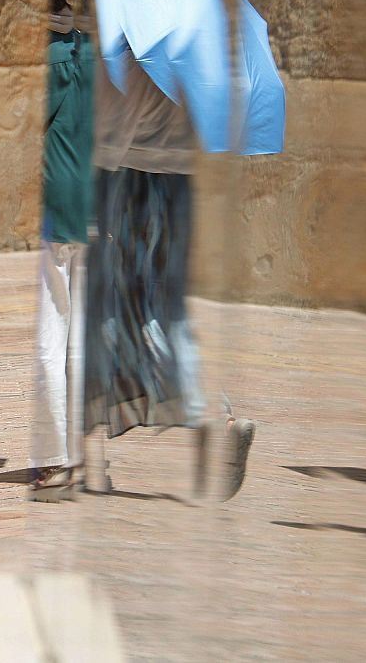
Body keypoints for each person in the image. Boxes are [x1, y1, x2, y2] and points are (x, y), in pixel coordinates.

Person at [84, 45, 255, 501]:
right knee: (156, 308)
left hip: (134, 181)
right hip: (179, 181)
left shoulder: (144, 33)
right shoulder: (197, 30)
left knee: (129, 313)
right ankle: (87, 453)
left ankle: (214, 418)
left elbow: (116, 119)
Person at [30, 0, 95, 502]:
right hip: (87, 204)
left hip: (50, 207)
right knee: (72, 330)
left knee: (51, 334)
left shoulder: (40, 63)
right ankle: (71, 451)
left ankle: (53, 460)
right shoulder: (88, 55)